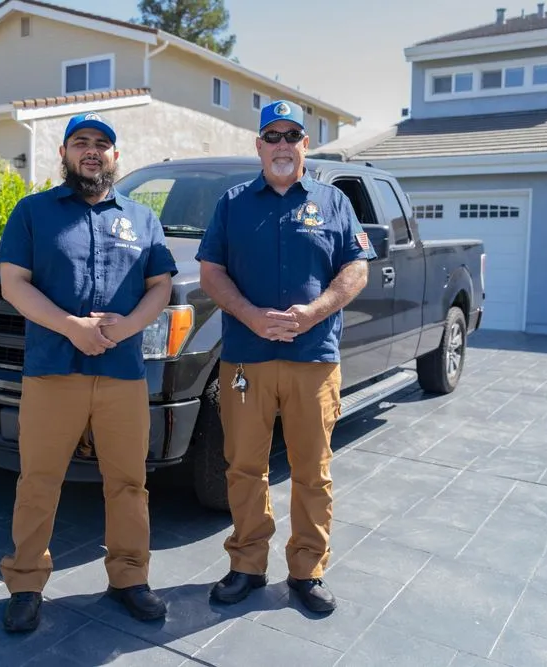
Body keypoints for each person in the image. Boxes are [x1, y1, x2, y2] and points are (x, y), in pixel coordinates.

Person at [0, 112, 178, 632]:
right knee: (39, 481)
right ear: (64, 153)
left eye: (101, 143)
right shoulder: (33, 212)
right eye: (80, 142)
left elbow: (160, 286)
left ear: (115, 156)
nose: (91, 150)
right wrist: (71, 327)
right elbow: (13, 283)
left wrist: (126, 328)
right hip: (53, 370)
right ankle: (26, 583)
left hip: (122, 373)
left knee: (128, 482)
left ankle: (130, 578)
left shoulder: (142, 219)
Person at [195, 100, 376, 614]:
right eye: (271, 136)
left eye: (291, 135)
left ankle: (307, 571)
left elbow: (356, 268)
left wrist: (315, 312)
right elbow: (211, 272)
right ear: (259, 145)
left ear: (305, 145)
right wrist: (250, 315)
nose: (281, 144)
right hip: (246, 359)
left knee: (312, 470)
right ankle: (247, 564)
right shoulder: (233, 204)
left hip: (313, 359)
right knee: (244, 467)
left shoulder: (333, 202)